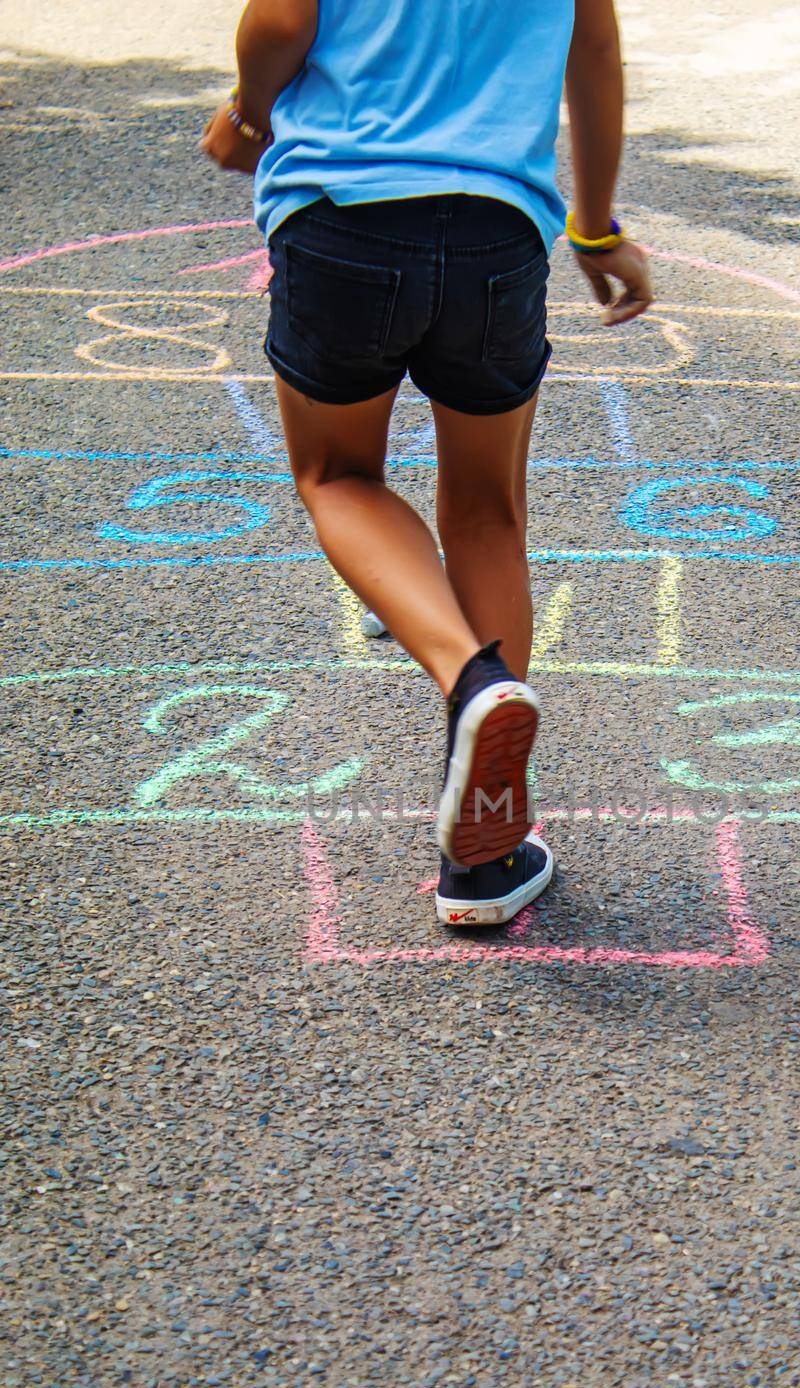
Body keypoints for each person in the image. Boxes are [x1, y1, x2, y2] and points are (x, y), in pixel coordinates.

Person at [202, 0, 653, 926]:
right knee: (487, 513)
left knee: (338, 477)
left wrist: (248, 115)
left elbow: (282, 18)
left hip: (343, 216)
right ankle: (482, 861)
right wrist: (596, 227)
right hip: (497, 231)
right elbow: (595, 48)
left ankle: (470, 677)